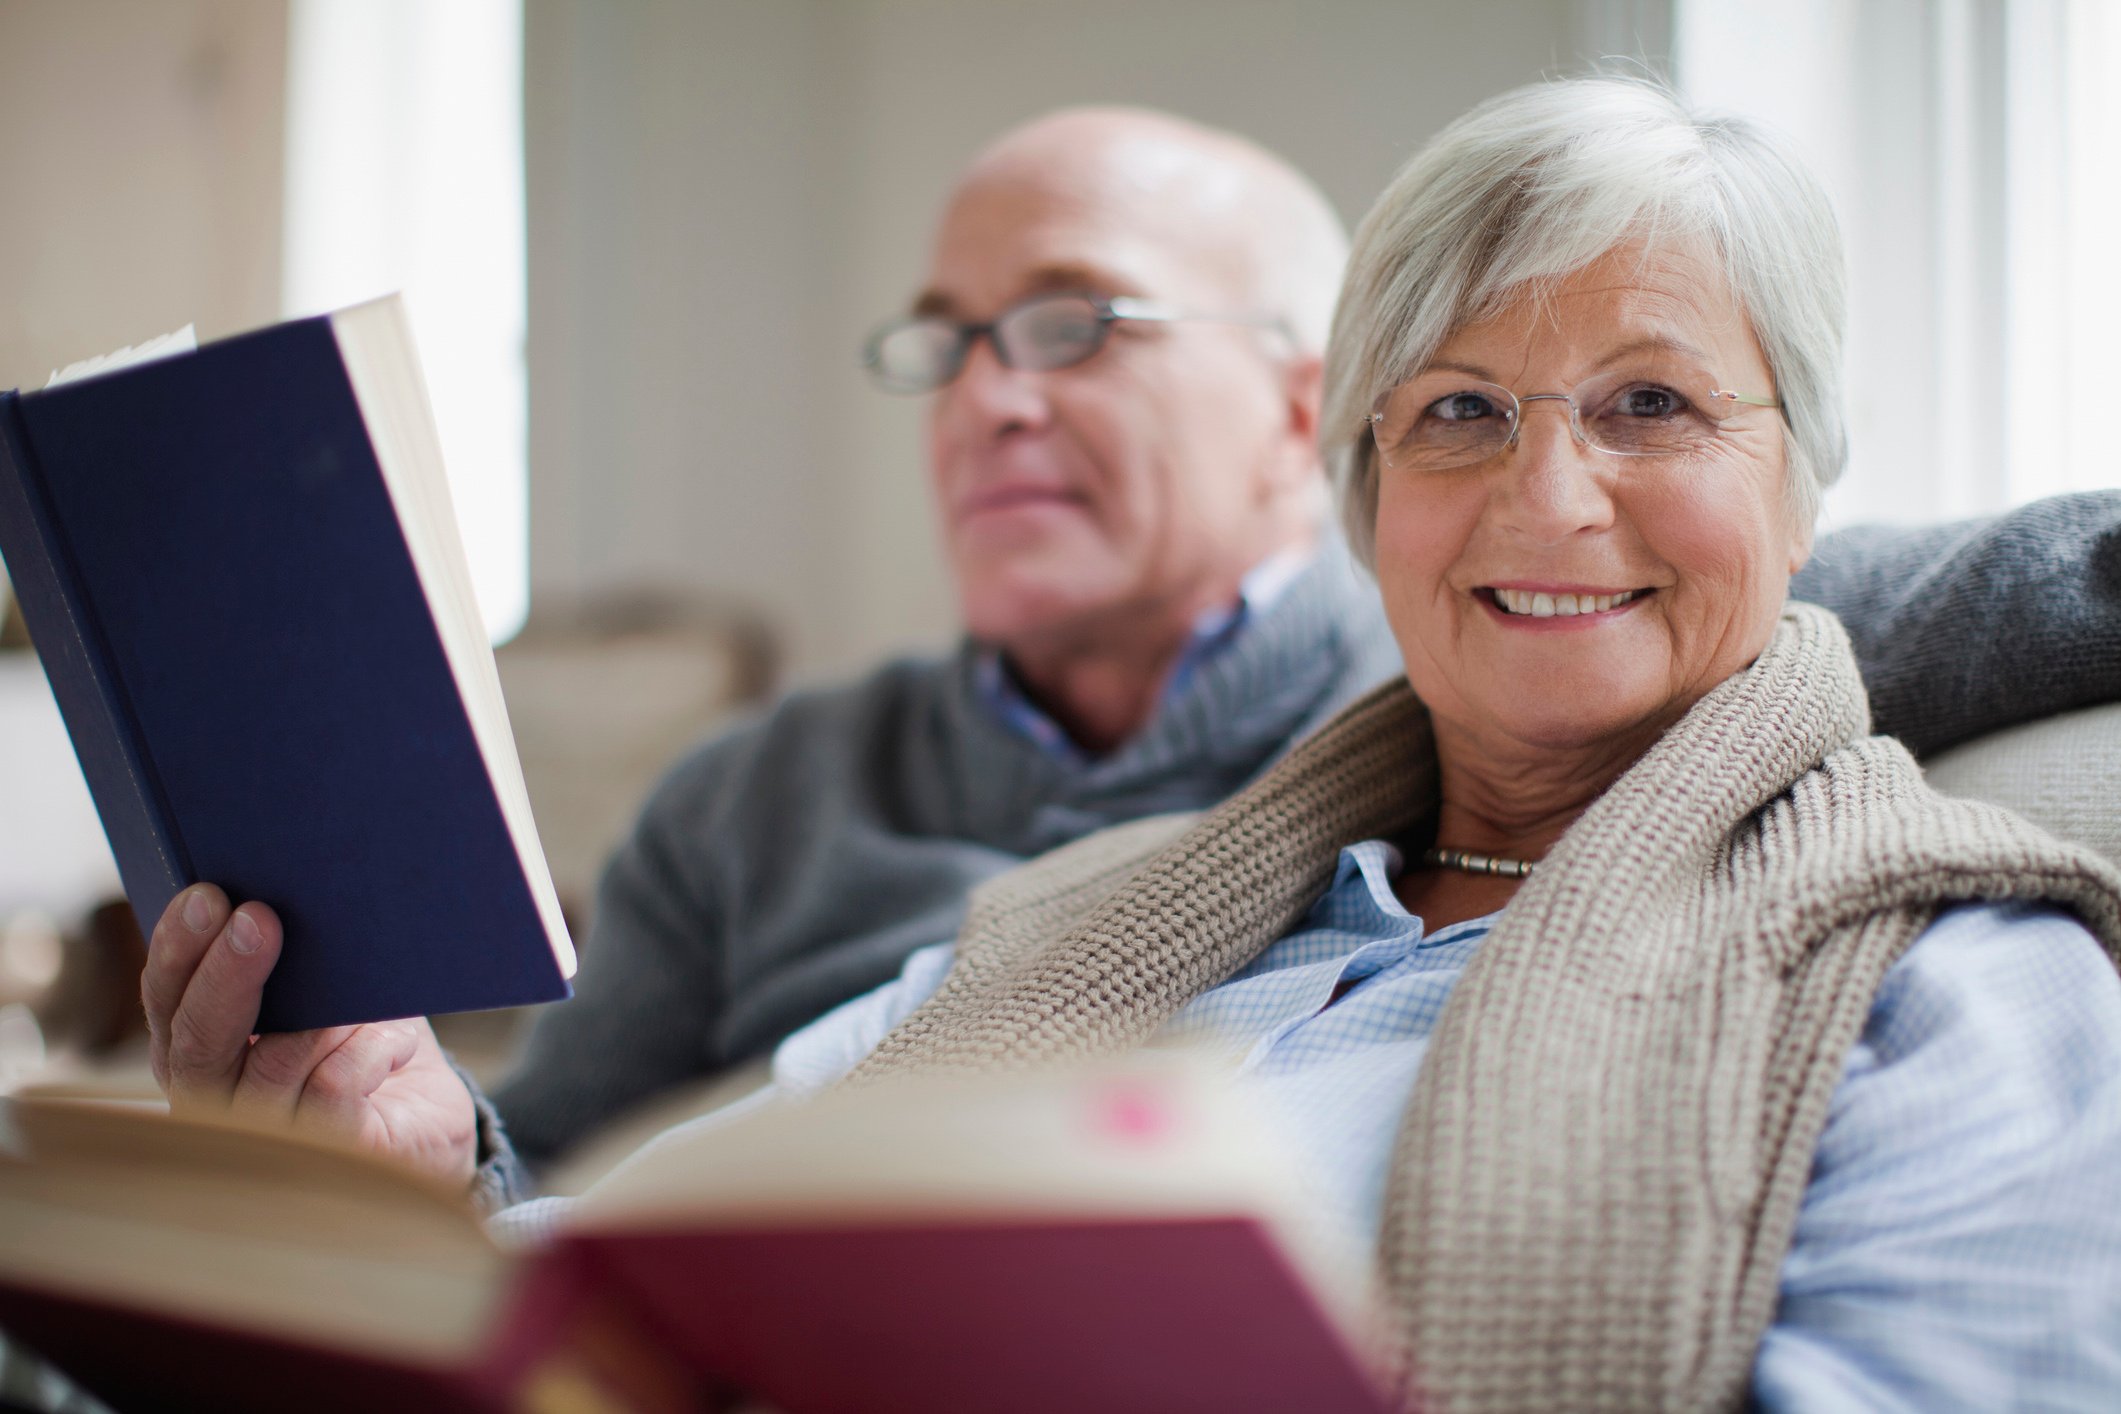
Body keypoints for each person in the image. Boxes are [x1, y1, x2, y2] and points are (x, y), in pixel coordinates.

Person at [138, 103, 2121, 1221]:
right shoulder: (797, 801)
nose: (987, 396)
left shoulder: (1487, 654)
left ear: (1290, 415)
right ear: (1368, 447)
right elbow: (542, 1196)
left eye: (1074, 323)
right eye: (946, 338)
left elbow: (1768, 589)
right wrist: (392, 1161)